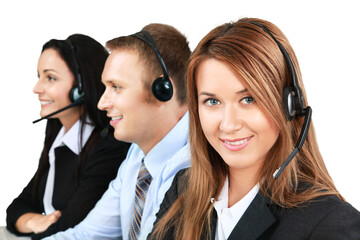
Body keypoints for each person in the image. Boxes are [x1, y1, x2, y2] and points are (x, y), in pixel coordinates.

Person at [149, 18, 360, 240]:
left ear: (289, 105)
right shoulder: (183, 191)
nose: (229, 124)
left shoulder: (331, 224)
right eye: (212, 102)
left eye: (248, 99)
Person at [45, 23, 191, 240]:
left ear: (163, 91)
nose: (102, 103)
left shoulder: (196, 166)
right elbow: (86, 235)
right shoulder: (137, 155)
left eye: (116, 87)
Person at [6, 34, 131, 239]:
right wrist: (34, 221)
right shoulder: (59, 139)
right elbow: (17, 208)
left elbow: (71, 227)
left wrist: (38, 224)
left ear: (80, 89)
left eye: (51, 78)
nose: (37, 89)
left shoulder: (108, 148)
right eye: (39, 77)